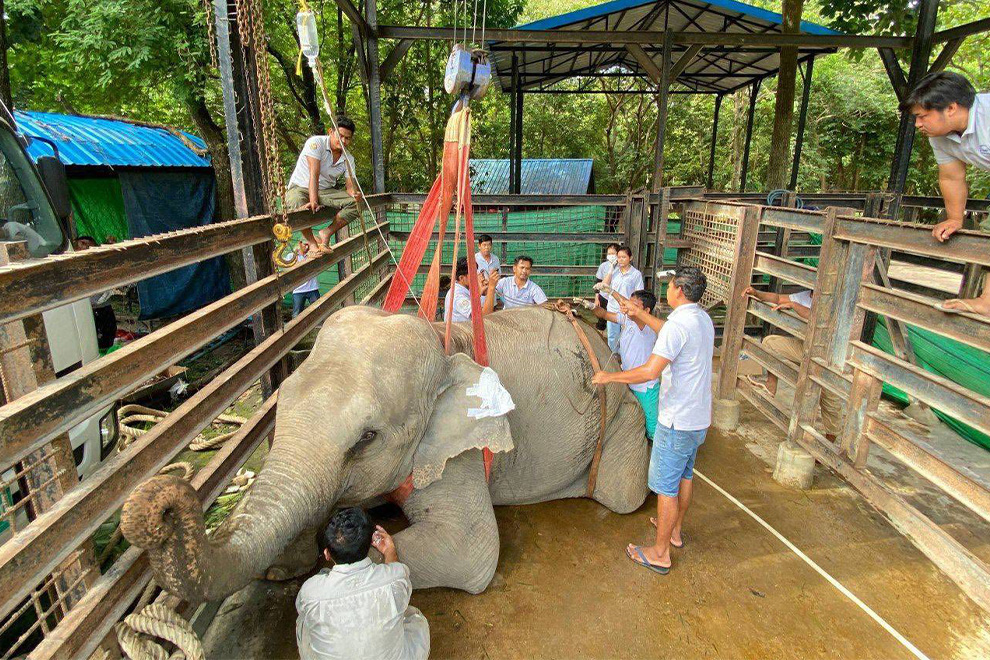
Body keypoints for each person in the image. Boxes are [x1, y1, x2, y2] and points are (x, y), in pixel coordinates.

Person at [592, 266, 714, 575]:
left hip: (676, 420)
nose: (668, 290)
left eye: (671, 286)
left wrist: (609, 376)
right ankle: (673, 531)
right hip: (698, 418)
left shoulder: (677, 326)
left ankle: (660, 554)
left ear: (680, 292)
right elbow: (665, 328)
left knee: (666, 488)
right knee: (685, 476)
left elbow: (649, 371)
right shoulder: (701, 318)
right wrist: (639, 314)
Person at [905, 71, 990, 316]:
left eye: (922, 116)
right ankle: (987, 302)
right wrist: (955, 218)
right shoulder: (940, 136)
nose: (918, 124)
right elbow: (952, 176)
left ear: (951, 107)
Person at [295, 507, 429, 660]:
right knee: (414, 617)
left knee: (304, 622)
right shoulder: (395, 578)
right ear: (371, 544)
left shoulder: (310, 591)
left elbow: (302, 610)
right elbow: (396, 575)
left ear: (326, 554)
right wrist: (389, 551)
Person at [741, 286, 842, 441]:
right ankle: (771, 385)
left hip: (830, 357)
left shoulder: (834, 300)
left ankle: (829, 445)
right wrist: (756, 293)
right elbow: (778, 298)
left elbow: (815, 317)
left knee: (830, 401)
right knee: (770, 343)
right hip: (806, 348)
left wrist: (794, 306)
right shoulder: (805, 296)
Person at [585, 288, 660, 440]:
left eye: (634, 306)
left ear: (646, 310)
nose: (628, 308)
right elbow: (604, 314)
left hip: (645, 387)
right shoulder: (628, 320)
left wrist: (612, 292)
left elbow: (632, 311)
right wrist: (592, 307)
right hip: (627, 379)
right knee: (633, 418)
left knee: (653, 431)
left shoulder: (646, 326)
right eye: (629, 304)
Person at [286, 116, 363, 255]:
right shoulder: (316, 143)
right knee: (296, 202)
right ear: (330, 131)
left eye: (348, 138)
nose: (343, 141)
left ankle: (326, 233)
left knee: (357, 204)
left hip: (326, 191)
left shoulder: (348, 158)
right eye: (340, 136)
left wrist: (355, 194)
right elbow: (313, 174)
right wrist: (313, 200)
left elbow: (350, 187)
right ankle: (312, 243)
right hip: (300, 187)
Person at [73, 235, 117, 350]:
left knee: (106, 341)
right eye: (82, 243)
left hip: (101, 308)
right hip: (86, 310)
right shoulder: (72, 265)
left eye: (88, 244)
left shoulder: (98, 263)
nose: (85, 247)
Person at [600, 245, 644, 352]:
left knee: (626, 337)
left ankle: (624, 358)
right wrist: (611, 268)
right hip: (613, 309)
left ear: (630, 258)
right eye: (619, 257)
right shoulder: (614, 272)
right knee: (612, 336)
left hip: (626, 311)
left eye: (624, 257)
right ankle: (614, 358)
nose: (621, 260)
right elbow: (604, 285)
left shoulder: (635, 274)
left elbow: (639, 293)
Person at [594, 243, 620, 330]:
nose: (611, 256)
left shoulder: (622, 266)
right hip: (604, 296)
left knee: (614, 319)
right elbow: (598, 281)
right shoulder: (603, 266)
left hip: (616, 297)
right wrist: (597, 298)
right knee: (601, 317)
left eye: (613, 254)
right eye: (609, 254)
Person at [291, 242, 321, 318]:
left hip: (312, 288)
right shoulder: (292, 256)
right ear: (299, 243)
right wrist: (308, 259)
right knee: (296, 314)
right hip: (298, 289)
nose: (307, 247)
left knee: (319, 310)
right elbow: (291, 269)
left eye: (309, 244)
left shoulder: (314, 254)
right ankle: (296, 329)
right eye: (305, 244)